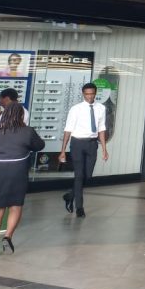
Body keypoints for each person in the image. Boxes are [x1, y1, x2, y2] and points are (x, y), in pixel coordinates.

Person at [0, 103, 44, 256]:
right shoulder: (27, 131)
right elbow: (39, 146)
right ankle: (8, 236)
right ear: (21, 116)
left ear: (4, 115)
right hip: (18, 172)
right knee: (15, 206)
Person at [57, 83, 108, 219]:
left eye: (92, 94)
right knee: (79, 176)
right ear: (83, 94)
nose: (89, 96)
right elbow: (68, 129)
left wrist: (104, 149)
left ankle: (70, 196)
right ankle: (79, 208)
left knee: (88, 176)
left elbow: (101, 129)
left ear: (95, 93)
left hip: (92, 144)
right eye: (87, 94)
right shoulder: (76, 109)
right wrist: (63, 151)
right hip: (77, 143)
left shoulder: (101, 108)